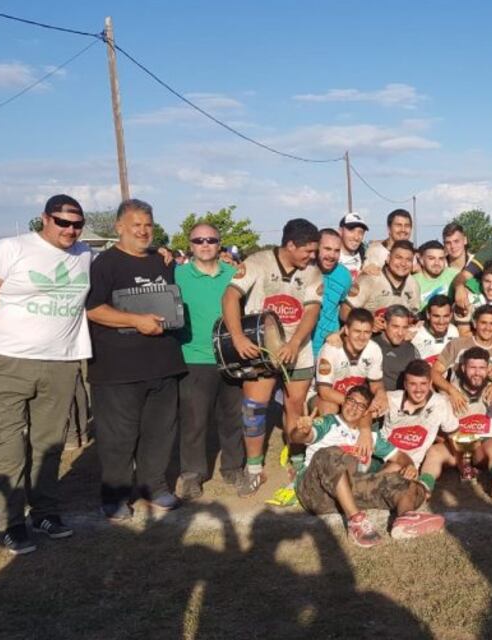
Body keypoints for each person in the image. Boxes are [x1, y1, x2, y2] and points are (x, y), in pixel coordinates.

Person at [0, 194, 91, 553]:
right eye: (62, 222)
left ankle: (45, 513)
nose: (70, 229)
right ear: (44, 219)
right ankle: (11, 522)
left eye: (77, 223)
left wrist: (161, 253)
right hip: (7, 361)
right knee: (6, 447)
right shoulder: (12, 247)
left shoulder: (85, 256)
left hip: (62, 363)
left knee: (48, 446)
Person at [86, 199, 187, 518]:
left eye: (148, 225)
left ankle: (153, 486)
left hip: (163, 364)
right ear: (119, 227)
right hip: (118, 369)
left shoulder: (162, 260)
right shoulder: (104, 264)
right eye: (136, 225)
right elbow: (93, 309)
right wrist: (135, 321)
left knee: (160, 432)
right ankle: (114, 496)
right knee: (119, 437)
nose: (143, 231)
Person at [221, 218, 324, 497]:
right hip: (260, 348)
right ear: (290, 245)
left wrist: (294, 342)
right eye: (308, 251)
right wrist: (239, 337)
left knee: (295, 406)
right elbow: (230, 297)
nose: (312, 256)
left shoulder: (313, 273)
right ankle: (254, 469)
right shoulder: (257, 262)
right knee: (254, 408)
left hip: (297, 348)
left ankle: (297, 461)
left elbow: (312, 311)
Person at [289, 385, 443, 547]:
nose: (353, 407)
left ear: (365, 412)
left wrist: (409, 465)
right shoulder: (328, 423)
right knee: (329, 453)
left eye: (360, 405)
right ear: (344, 402)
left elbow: (400, 456)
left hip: (349, 493)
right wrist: (303, 430)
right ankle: (356, 521)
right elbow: (299, 437)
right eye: (351, 401)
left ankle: (406, 518)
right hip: (315, 492)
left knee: (410, 485)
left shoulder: (371, 437)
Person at [175, 222, 243, 500]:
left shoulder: (235, 274)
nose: (205, 245)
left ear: (220, 244)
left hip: (230, 356)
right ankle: (192, 474)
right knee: (194, 420)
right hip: (193, 357)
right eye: (198, 240)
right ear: (190, 244)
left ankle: (233, 467)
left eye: (211, 240)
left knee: (232, 417)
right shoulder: (176, 274)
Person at [419, 347, 492, 498]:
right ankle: (423, 486)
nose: (477, 373)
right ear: (463, 368)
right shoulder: (449, 393)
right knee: (434, 452)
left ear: (488, 369)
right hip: (456, 445)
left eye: (482, 368)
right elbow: (439, 430)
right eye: (472, 367)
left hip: (482, 447)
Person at [379, 359, 458, 471]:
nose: (418, 390)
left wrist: (462, 465)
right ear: (405, 385)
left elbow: (453, 434)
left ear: (430, 383)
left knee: (396, 468)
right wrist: (365, 431)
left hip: (408, 465)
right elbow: (366, 414)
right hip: (380, 455)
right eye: (413, 384)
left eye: (423, 384)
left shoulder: (440, 404)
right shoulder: (391, 399)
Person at [433, 304, 492, 399]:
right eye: (483, 323)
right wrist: (451, 390)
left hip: (486, 403)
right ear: (475, 323)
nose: (487, 328)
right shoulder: (457, 344)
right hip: (456, 399)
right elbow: (434, 372)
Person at [316, 308, 386, 417]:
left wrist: (380, 393)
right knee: (329, 409)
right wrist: (357, 404)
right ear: (347, 330)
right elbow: (324, 392)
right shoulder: (330, 349)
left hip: (356, 397)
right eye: (357, 331)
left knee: (379, 407)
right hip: (327, 397)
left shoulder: (374, 349)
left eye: (366, 332)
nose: (362, 337)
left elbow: (375, 383)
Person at [344, 240, 420, 331]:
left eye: (408, 260)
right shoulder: (369, 279)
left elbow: (413, 316)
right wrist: (368, 321)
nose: (403, 263)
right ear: (388, 258)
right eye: (398, 257)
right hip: (368, 338)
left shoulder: (414, 285)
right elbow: (344, 311)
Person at [311, 228, 354, 356]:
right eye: (327, 249)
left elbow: (344, 310)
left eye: (336, 251)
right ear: (317, 248)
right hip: (302, 350)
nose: (332, 255)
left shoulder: (345, 275)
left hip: (329, 349)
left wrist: (340, 333)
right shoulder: (305, 270)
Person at [453, 259, 492, 334]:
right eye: (487, 281)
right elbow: (463, 332)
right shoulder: (472, 287)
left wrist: (488, 330)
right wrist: (459, 288)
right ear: (481, 279)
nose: (491, 287)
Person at [373, 305, 419, 391]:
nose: (400, 333)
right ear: (385, 324)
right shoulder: (371, 344)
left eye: (404, 327)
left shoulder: (411, 350)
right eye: (395, 327)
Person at [411, 294, 459, 364]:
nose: (441, 322)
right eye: (436, 316)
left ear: (451, 315)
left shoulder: (454, 331)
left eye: (446, 316)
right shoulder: (414, 334)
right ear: (428, 315)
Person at [413, 240, 458, 311]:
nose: (437, 263)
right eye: (431, 258)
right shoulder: (413, 282)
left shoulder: (454, 275)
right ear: (421, 260)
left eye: (441, 258)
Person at [337, 213, 368, 279]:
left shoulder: (366, 258)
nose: (356, 237)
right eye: (351, 230)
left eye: (361, 232)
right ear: (340, 231)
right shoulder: (330, 259)